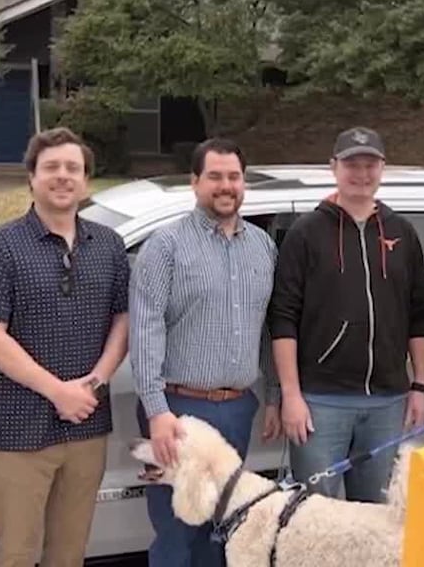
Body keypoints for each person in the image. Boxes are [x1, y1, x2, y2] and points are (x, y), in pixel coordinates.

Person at [0, 127, 130, 567]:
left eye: (73, 168)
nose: (63, 176)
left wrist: (94, 383)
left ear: (86, 180)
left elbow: (124, 319)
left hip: (88, 425)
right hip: (21, 430)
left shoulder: (109, 246)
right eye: (51, 167)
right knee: (16, 553)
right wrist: (58, 392)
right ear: (32, 177)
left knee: (70, 553)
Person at [130, 138, 282, 566]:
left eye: (234, 176)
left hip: (237, 410)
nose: (225, 185)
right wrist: (157, 411)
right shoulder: (166, 246)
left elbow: (269, 328)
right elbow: (145, 329)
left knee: (221, 533)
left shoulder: (263, 247)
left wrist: (273, 396)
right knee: (176, 535)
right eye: (214, 176)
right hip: (178, 413)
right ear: (195, 182)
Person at [269, 126, 424, 502]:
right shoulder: (306, 233)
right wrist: (291, 395)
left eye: (370, 165)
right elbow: (283, 319)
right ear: (334, 168)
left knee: (375, 517)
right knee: (315, 514)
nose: (361, 174)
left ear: (382, 168)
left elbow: (417, 313)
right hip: (320, 402)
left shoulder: (402, 232)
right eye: (352, 165)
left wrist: (420, 385)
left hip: (388, 402)